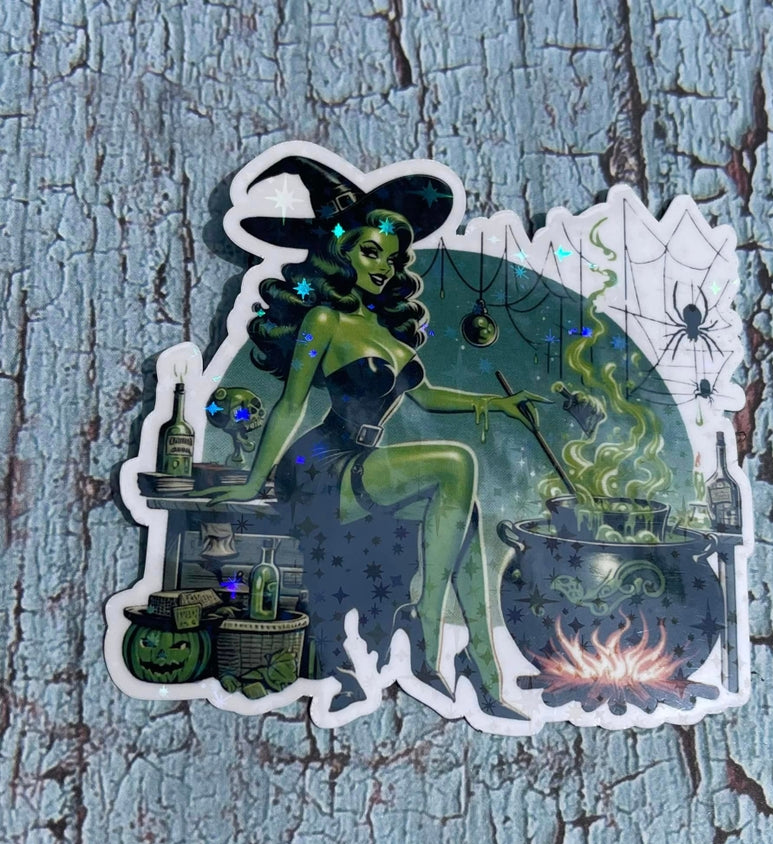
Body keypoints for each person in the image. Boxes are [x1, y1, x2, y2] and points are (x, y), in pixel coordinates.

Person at [197, 156, 544, 717]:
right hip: (320, 465)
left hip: (363, 462)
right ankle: (428, 631)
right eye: (369, 252)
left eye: (391, 256)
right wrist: (252, 482)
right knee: (456, 462)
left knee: (470, 516)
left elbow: (427, 397)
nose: (383, 266)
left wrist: (496, 404)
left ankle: (483, 669)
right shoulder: (325, 322)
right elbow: (290, 405)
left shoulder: (388, 332)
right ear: (341, 252)